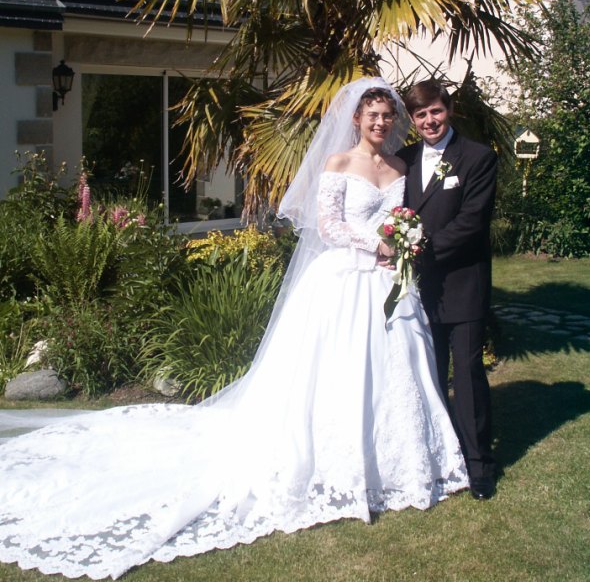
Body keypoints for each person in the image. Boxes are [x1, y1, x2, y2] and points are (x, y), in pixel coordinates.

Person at [0, 77, 467, 580]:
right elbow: (327, 225)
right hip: (343, 282)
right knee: (335, 373)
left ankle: (399, 464)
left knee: (394, 372)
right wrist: (373, 245)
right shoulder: (338, 165)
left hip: (387, 286)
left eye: (385, 116)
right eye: (371, 115)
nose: (380, 123)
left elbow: (404, 217)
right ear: (355, 119)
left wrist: (398, 245)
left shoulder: (402, 166)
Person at [396, 80, 497, 500]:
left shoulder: (477, 157)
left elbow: (473, 222)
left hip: (462, 285)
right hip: (417, 290)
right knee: (429, 375)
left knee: (469, 374)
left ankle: (479, 465)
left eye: (435, 111)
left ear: (448, 109)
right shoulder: (403, 160)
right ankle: (442, 456)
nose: (429, 121)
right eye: (420, 115)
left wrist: (421, 248)